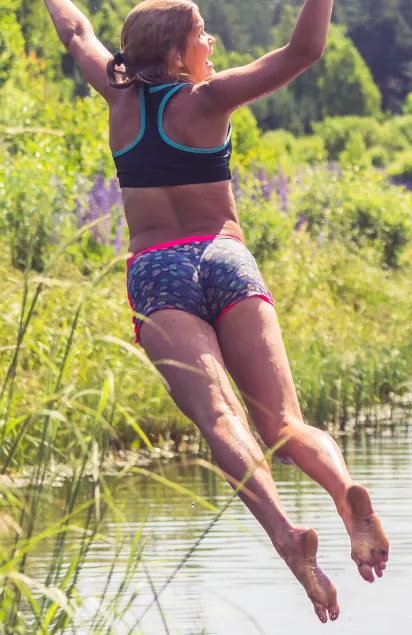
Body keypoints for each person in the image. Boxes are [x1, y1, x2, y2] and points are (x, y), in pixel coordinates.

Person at [41, 0, 387, 623]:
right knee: (286, 424)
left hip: (158, 272)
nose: (212, 41)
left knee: (220, 416)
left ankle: (286, 535)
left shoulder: (117, 96)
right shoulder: (209, 99)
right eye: (202, 34)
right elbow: (303, 52)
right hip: (227, 259)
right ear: (176, 54)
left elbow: (76, 31)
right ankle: (344, 496)